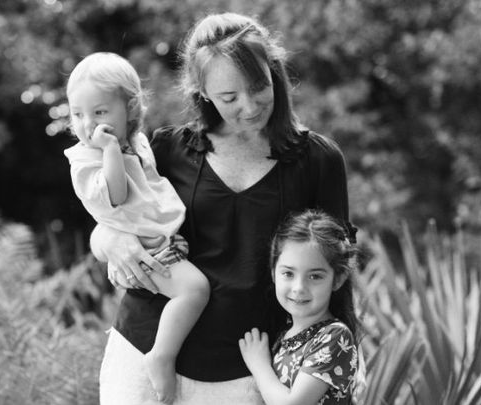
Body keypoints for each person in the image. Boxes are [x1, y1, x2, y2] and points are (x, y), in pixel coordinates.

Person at [90, 12, 356, 404]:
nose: (249, 106)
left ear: (274, 72)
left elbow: (338, 271)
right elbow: (109, 221)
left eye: (259, 87)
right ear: (203, 93)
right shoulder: (166, 150)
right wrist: (109, 239)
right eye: (230, 97)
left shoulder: (319, 160)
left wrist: (344, 374)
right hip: (145, 354)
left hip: (251, 371)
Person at [62, 52, 210, 403]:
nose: (88, 124)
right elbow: (117, 193)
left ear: (129, 109)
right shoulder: (85, 160)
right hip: (144, 250)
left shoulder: (138, 141)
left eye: (100, 112)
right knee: (194, 290)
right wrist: (110, 149)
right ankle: (162, 355)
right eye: (78, 114)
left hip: (159, 239)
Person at [239, 209, 360, 405]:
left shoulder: (335, 336)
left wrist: (259, 365)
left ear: (338, 279)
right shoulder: (285, 334)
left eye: (315, 276)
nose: (299, 288)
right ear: (273, 273)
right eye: (288, 273)